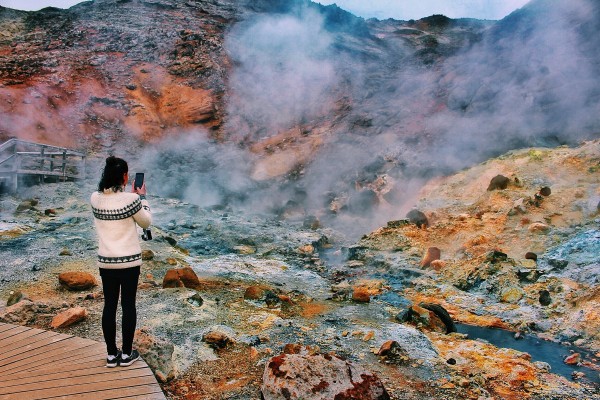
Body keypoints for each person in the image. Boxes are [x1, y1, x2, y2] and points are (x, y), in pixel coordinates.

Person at [91, 156, 151, 368]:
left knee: (109, 306)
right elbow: (146, 222)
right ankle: (126, 354)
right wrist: (142, 198)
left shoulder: (94, 198)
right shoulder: (132, 200)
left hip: (106, 262)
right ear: (124, 176)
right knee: (128, 305)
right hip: (129, 263)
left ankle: (110, 355)